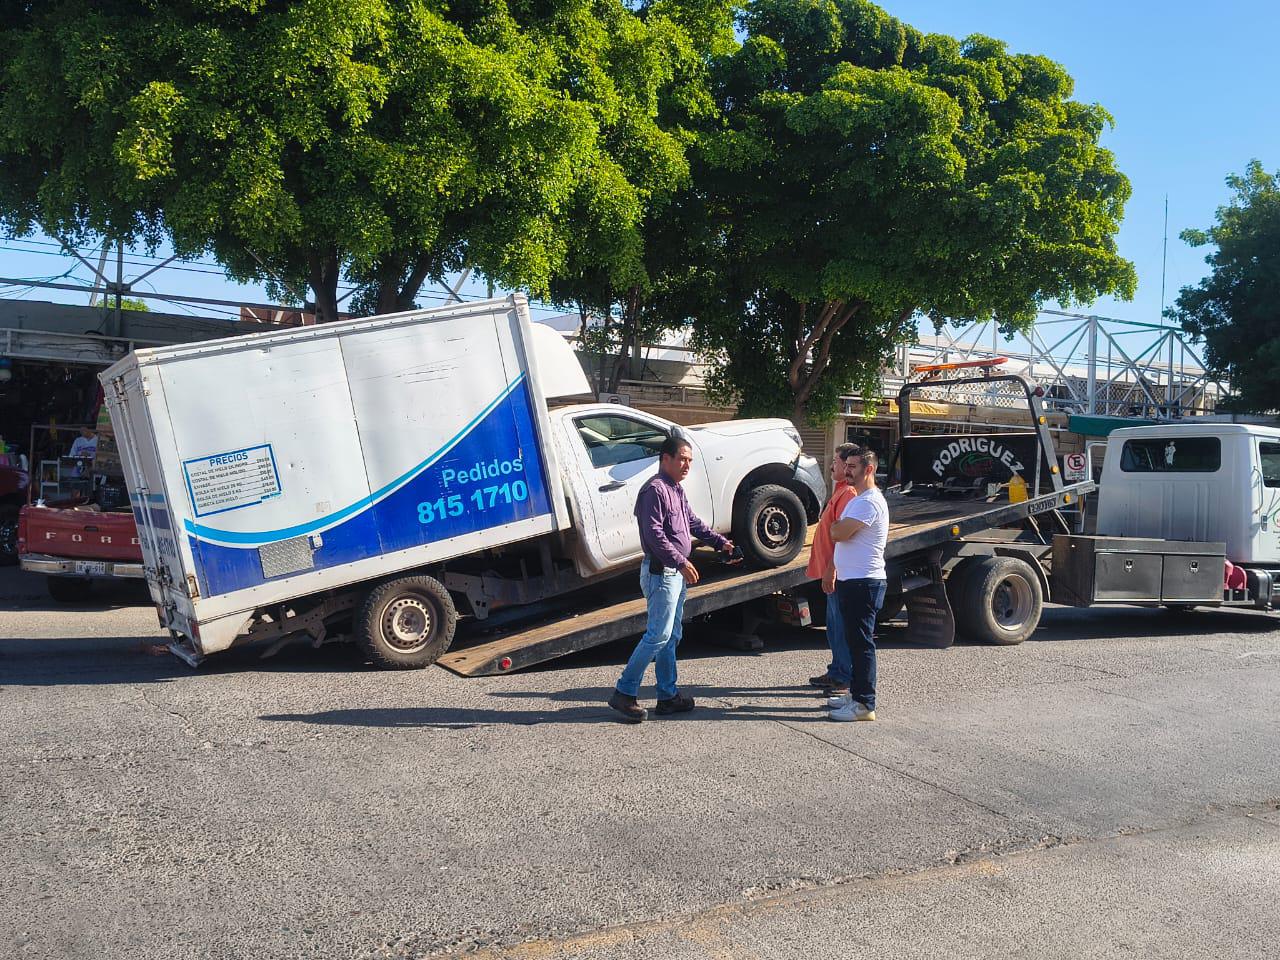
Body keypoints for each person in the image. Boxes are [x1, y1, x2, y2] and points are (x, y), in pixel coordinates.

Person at [609, 436, 735, 723]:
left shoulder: (675, 489)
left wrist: (720, 543)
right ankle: (624, 692)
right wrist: (680, 562)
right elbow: (654, 535)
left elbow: (692, 522)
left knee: (671, 636)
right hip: (661, 573)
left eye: (690, 460)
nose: (687, 464)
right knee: (659, 635)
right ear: (665, 458)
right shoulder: (654, 490)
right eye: (682, 458)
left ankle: (667, 697)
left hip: (673, 574)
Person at [828, 446, 889, 722]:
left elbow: (837, 531)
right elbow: (838, 531)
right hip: (853, 580)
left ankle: (865, 704)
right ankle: (856, 694)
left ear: (869, 469)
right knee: (854, 643)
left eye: (853, 466)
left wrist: (838, 528)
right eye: (847, 464)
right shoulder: (858, 499)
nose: (847, 470)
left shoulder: (869, 502)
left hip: (864, 582)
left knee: (862, 644)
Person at [806, 442, 859, 694]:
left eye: (836, 462)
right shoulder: (839, 490)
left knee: (840, 627)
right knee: (834, 626)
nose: (831, 465)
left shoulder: (848, 493)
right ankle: (837, 671)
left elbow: (844, 536)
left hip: (837, 572)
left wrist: (831, 568)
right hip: (833, 571)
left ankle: (844, 677)